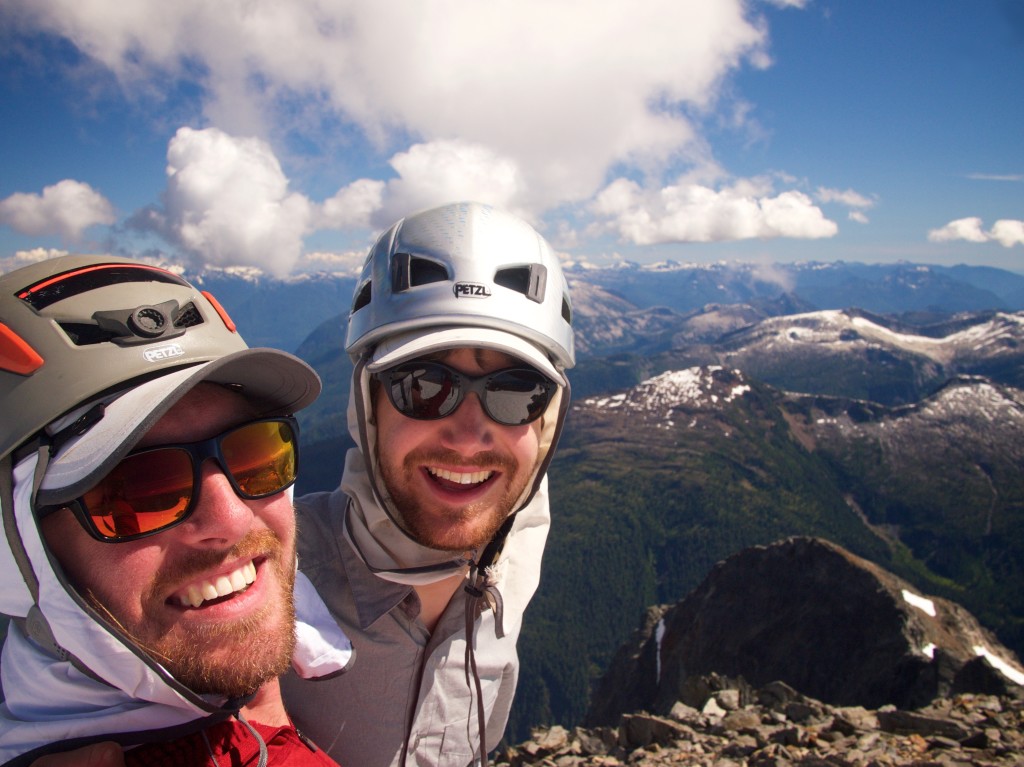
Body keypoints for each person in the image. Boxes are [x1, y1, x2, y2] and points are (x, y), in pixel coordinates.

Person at [0, 256, 351, 766]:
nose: (230, 520)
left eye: (255, 453)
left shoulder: (244, 718)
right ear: (17, 553)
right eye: (136, 491)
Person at [280, 201, 576, 766]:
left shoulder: (513, 567)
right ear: (367, 406)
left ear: (546, 421)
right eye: (422, 385)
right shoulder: (264, 578)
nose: (468, 438)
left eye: (515, 392)